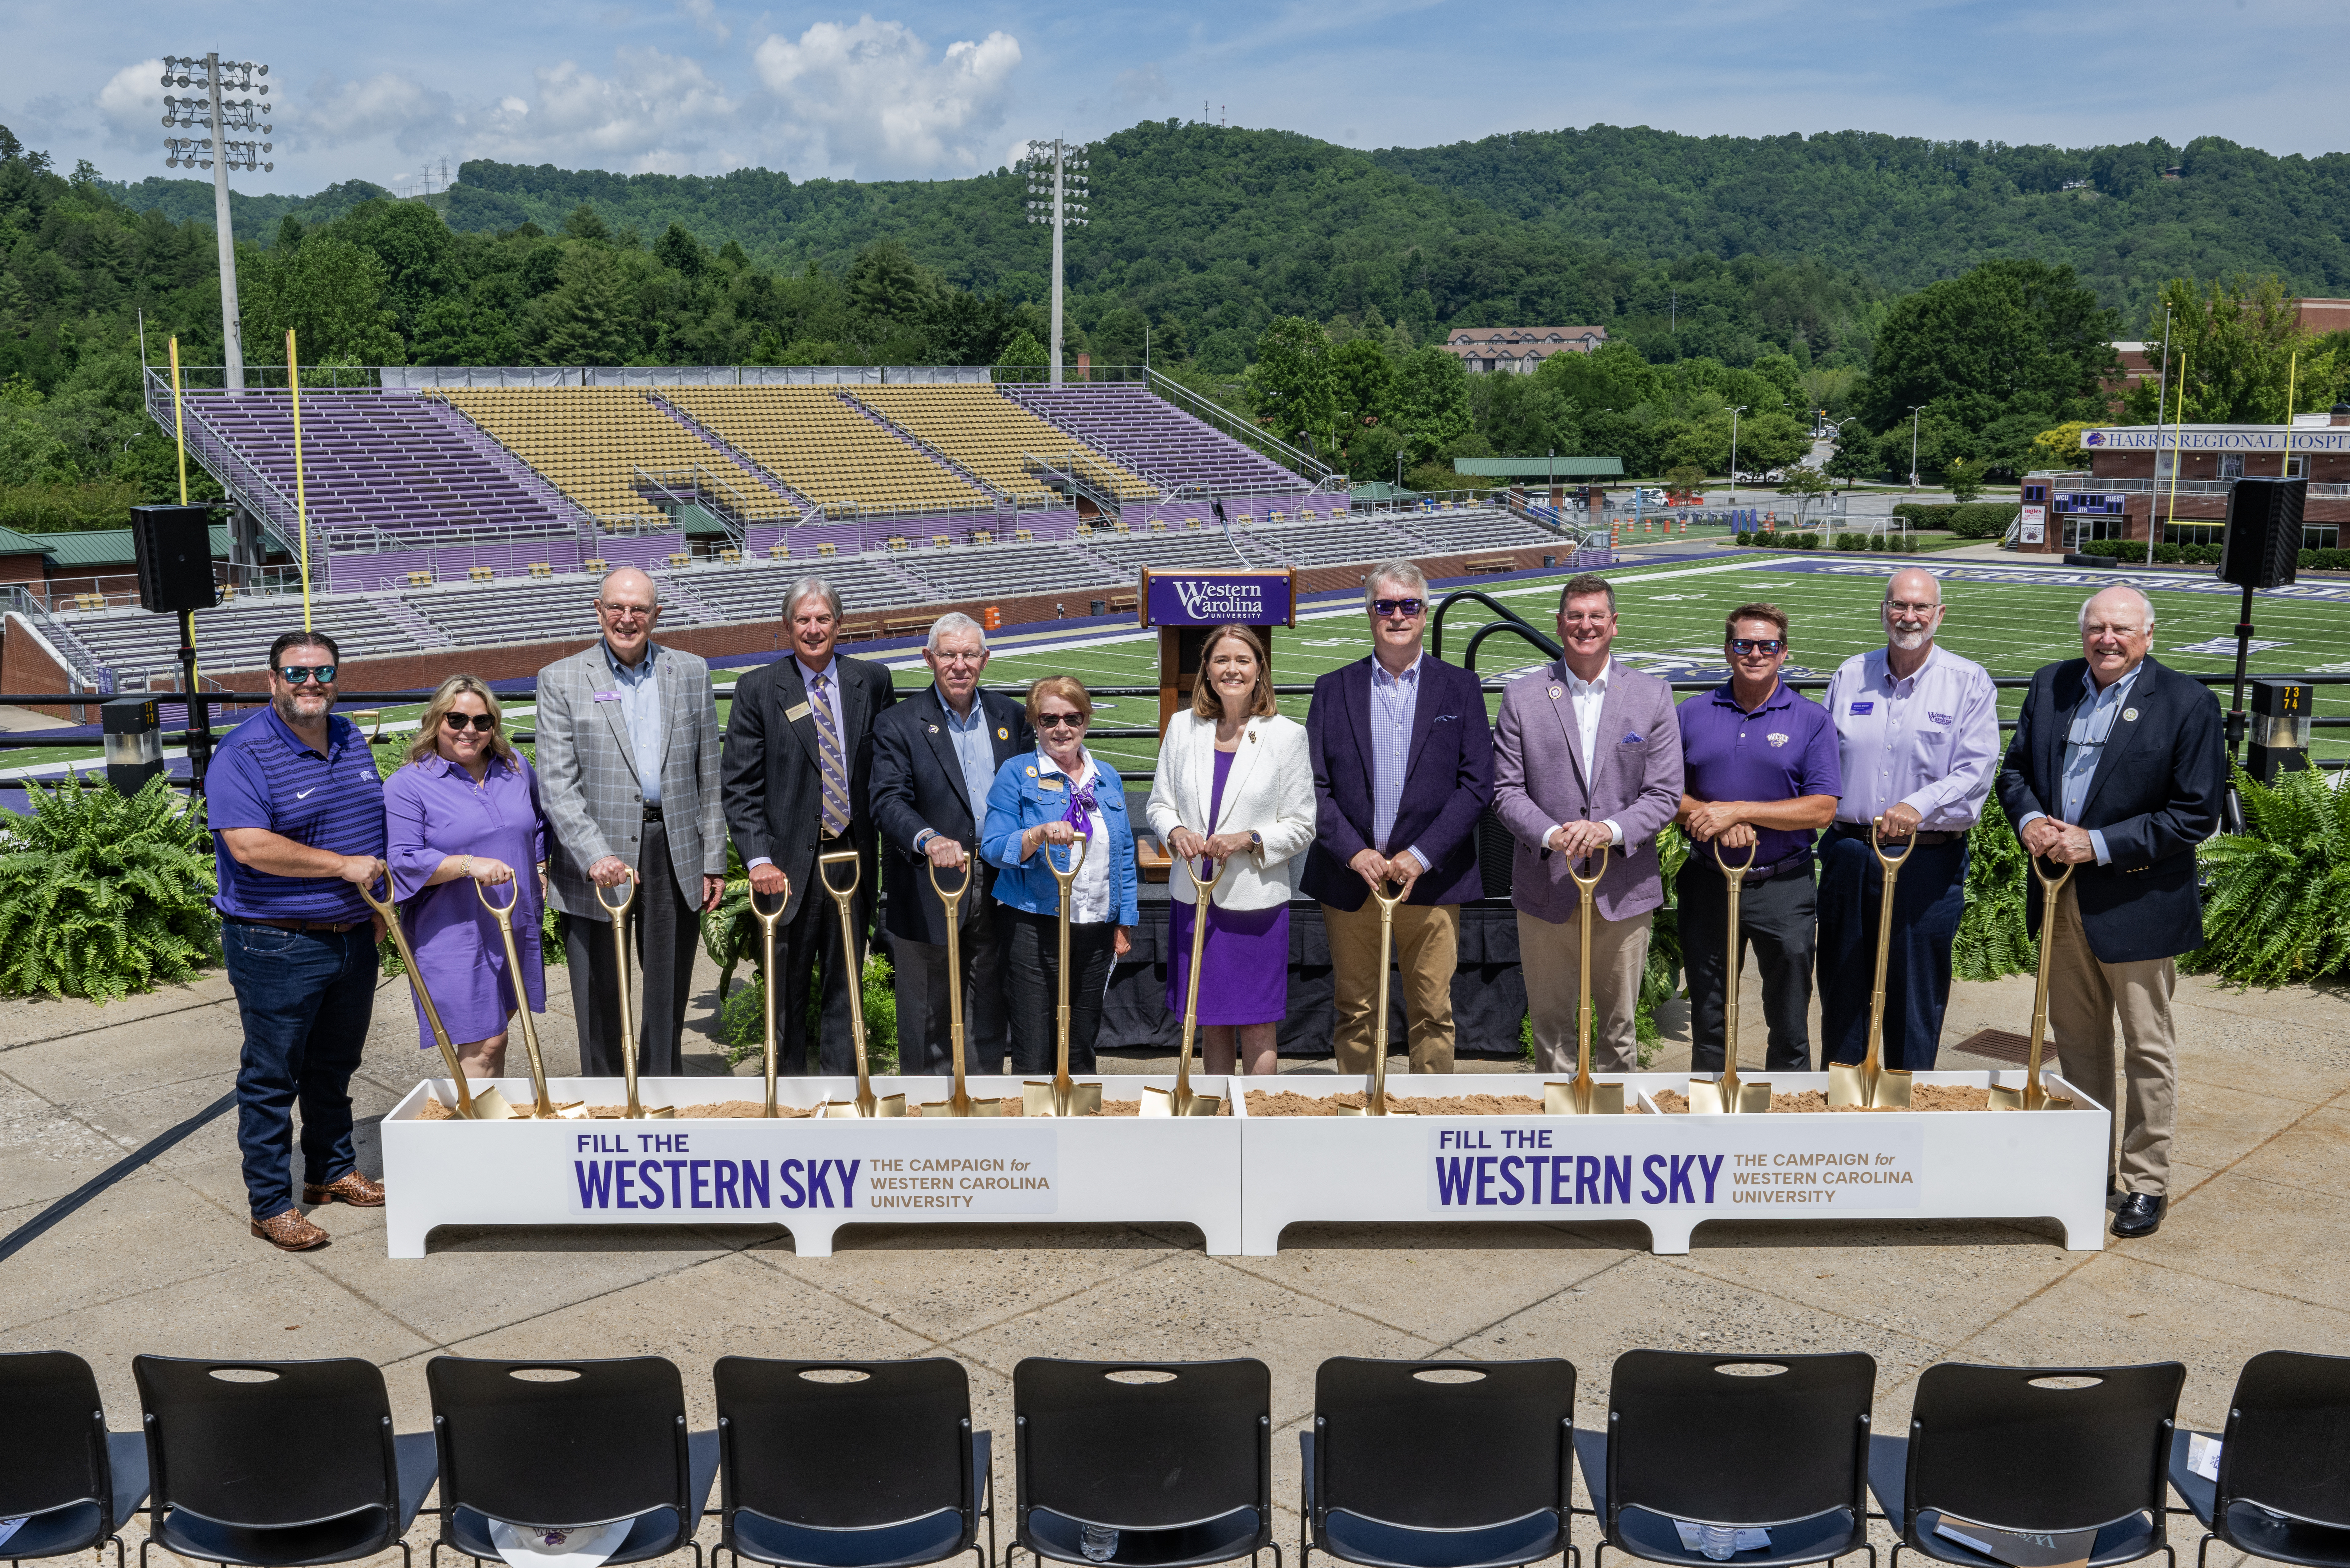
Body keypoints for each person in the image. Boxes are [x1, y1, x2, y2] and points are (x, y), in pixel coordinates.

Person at [1996, 585, 2223, 1240]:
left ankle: (2146, 1180)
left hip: (2138, 900)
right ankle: (2087, 1162)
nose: (2107, 638)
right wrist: (2033, 819)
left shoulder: (2186, 701)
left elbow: (2193, 814)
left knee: (2147, 1047)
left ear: (2148, 635)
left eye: (2122, 627)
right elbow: (2014, 773)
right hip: (2060, 894)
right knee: (2079, 1043)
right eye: (2096, 626)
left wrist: (2095, 844)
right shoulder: (2051, 684)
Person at [207, 630, 388, 1252]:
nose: (311, 684)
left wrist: (377, 905)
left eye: (323, 672)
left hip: (351, 934)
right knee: (271, 1075)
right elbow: (249, 845)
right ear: (273, 679)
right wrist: (344, 867)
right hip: (276, 941)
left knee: (334, 1064)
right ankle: (269, 1203)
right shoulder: (244, 752)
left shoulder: (348, 735)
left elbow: (368, 820)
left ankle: (330, 1171)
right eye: (297, 673)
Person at [1300, 560, 1493, 1075]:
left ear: (1424, 613)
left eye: (1408, 605)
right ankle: (1361, 1118)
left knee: (1432, 1013)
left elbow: (1476, 786)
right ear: (1369, 614)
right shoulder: (1332, 688)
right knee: (1356, 1011)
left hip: (1429, 883)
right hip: (1352, 879)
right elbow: (1313, 787)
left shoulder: (1460, 688)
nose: (1397, 616)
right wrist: (1354, 852)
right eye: (1385, 605)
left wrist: (1420, 856)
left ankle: (1427, 1119)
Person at [537, 567, 727, 1078]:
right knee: (598, 986)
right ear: (598, 611)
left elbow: (709, 771)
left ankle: (662, 1086)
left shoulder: (689, 671)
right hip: (596, 857)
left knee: (667, 983)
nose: (627, 619)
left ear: (656, 615)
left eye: (639, 609)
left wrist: (713, 858)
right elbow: (557, 784)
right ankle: (605, 1093)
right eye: (616, 608)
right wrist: (596, 855)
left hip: (674, 846)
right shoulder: (561, 679)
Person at [1491, 575, 1683, 1074]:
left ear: (1614, 624)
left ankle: (1613, 1134)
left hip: (1623, 889)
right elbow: (1505, 791)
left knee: (1619, 1029)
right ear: (1559, 623)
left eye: (1596, 616)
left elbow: (1664, 794)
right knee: (1551, 1029)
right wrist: (1553, 835)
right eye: (1575, 616)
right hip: (1546, 886)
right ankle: (1557, 1135)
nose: (1585, 626)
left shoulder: (1652, 695)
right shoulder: (1522, 696)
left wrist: (1608, 831)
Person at [1818, 568, 2000, 1072]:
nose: (1909, 617)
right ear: (1883, 611)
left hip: (1925, 859)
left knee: (1913, 992)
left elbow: (1976, 767)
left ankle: (1905, 1104)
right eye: (1899, 605)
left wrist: (1917, 805)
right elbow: (1822, 759)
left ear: (1939, 615)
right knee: (1841, 984)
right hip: (1850, 854)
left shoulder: (1967, 682)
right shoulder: (1850, 673)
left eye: (1920, 608)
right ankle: (1841, 1104)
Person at [722, 577, 898, 1073]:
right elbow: (739, 785)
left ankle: (841, 1094)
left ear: (839, 625)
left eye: (823, 619)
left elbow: (888, 770)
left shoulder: (873, 681)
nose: (814, 629)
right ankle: (790, 1093)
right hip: (785, 867)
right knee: (786, 989)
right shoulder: (759, 688)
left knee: (847, 988)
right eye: (803, 620)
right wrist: (757, 859)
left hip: (851, 859)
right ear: (787, 626)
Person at [1675, 604, 1841, 1073]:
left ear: (1783, 653)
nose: (1754, 653)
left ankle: (1787, 1116)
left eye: (1766, 645)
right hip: (1707, 882)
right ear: (1727, 650)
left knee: (1788, 1018)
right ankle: (1710, 1119)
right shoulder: (1691, 713)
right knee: (1708, 1012)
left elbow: (1823, 808)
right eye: (1743, 644)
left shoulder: (1810, 719)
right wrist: (1715, 818)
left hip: (1782, 887)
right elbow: (1665, 795)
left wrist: (1742, 811)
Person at [1146, 624, 1316, 1075]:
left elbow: (1302, 826)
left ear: (1260, 669)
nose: (1232, 669)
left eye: (1243, 660)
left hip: (1254, 905)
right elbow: (1159, 804)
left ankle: (1259, 1123)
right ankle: (1220, 1121)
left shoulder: (1286, 736)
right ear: (1206, 669)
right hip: (1195, 899)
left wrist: (1251, 840)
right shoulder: (1183, 727)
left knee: (1258, 1026)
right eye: (1221, 660)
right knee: (1211, 1023)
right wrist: (1177, 831)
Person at [870, 613, 1033, 1076]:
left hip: (1000, 879)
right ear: (929, 659)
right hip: (930, 879)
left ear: (984, 659)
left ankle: (981, 1099)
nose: (959, 665)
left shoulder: (1010, 716)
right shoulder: (898, 723)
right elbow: (887, 800)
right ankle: (926, 1111)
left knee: (989, 999)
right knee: (927, 1009)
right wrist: (929, 839)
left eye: (968, 654)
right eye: (948, 655)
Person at [382, 674, 549, 1082]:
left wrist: (541, 869)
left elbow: (538, 823)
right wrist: (466, 864)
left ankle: (482, 1121)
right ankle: (474, 1135)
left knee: (501, 1031)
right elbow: (401, 862)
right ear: (435, 721)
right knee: (484, 1041)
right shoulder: (409, 784)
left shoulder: (514, 768)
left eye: (482, 721)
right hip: (453, 930)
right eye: (456, 720)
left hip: (515, 920)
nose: (469, 731)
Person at [981, 677, 1140, 1077]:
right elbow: (994, 848)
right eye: (1049, 718)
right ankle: (1034, 1131)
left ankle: (1079, 1127)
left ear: (1086, 721)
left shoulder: (1106, 776)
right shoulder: (1017, 773)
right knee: (1034, 1046)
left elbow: (1122, 853)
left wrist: (1123, 921)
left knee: (1081, 1042)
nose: (1061, 729)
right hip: (1034, 924)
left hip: (1095, 926)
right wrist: (1035, 834)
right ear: (1035, 724)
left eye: (1072, 717)